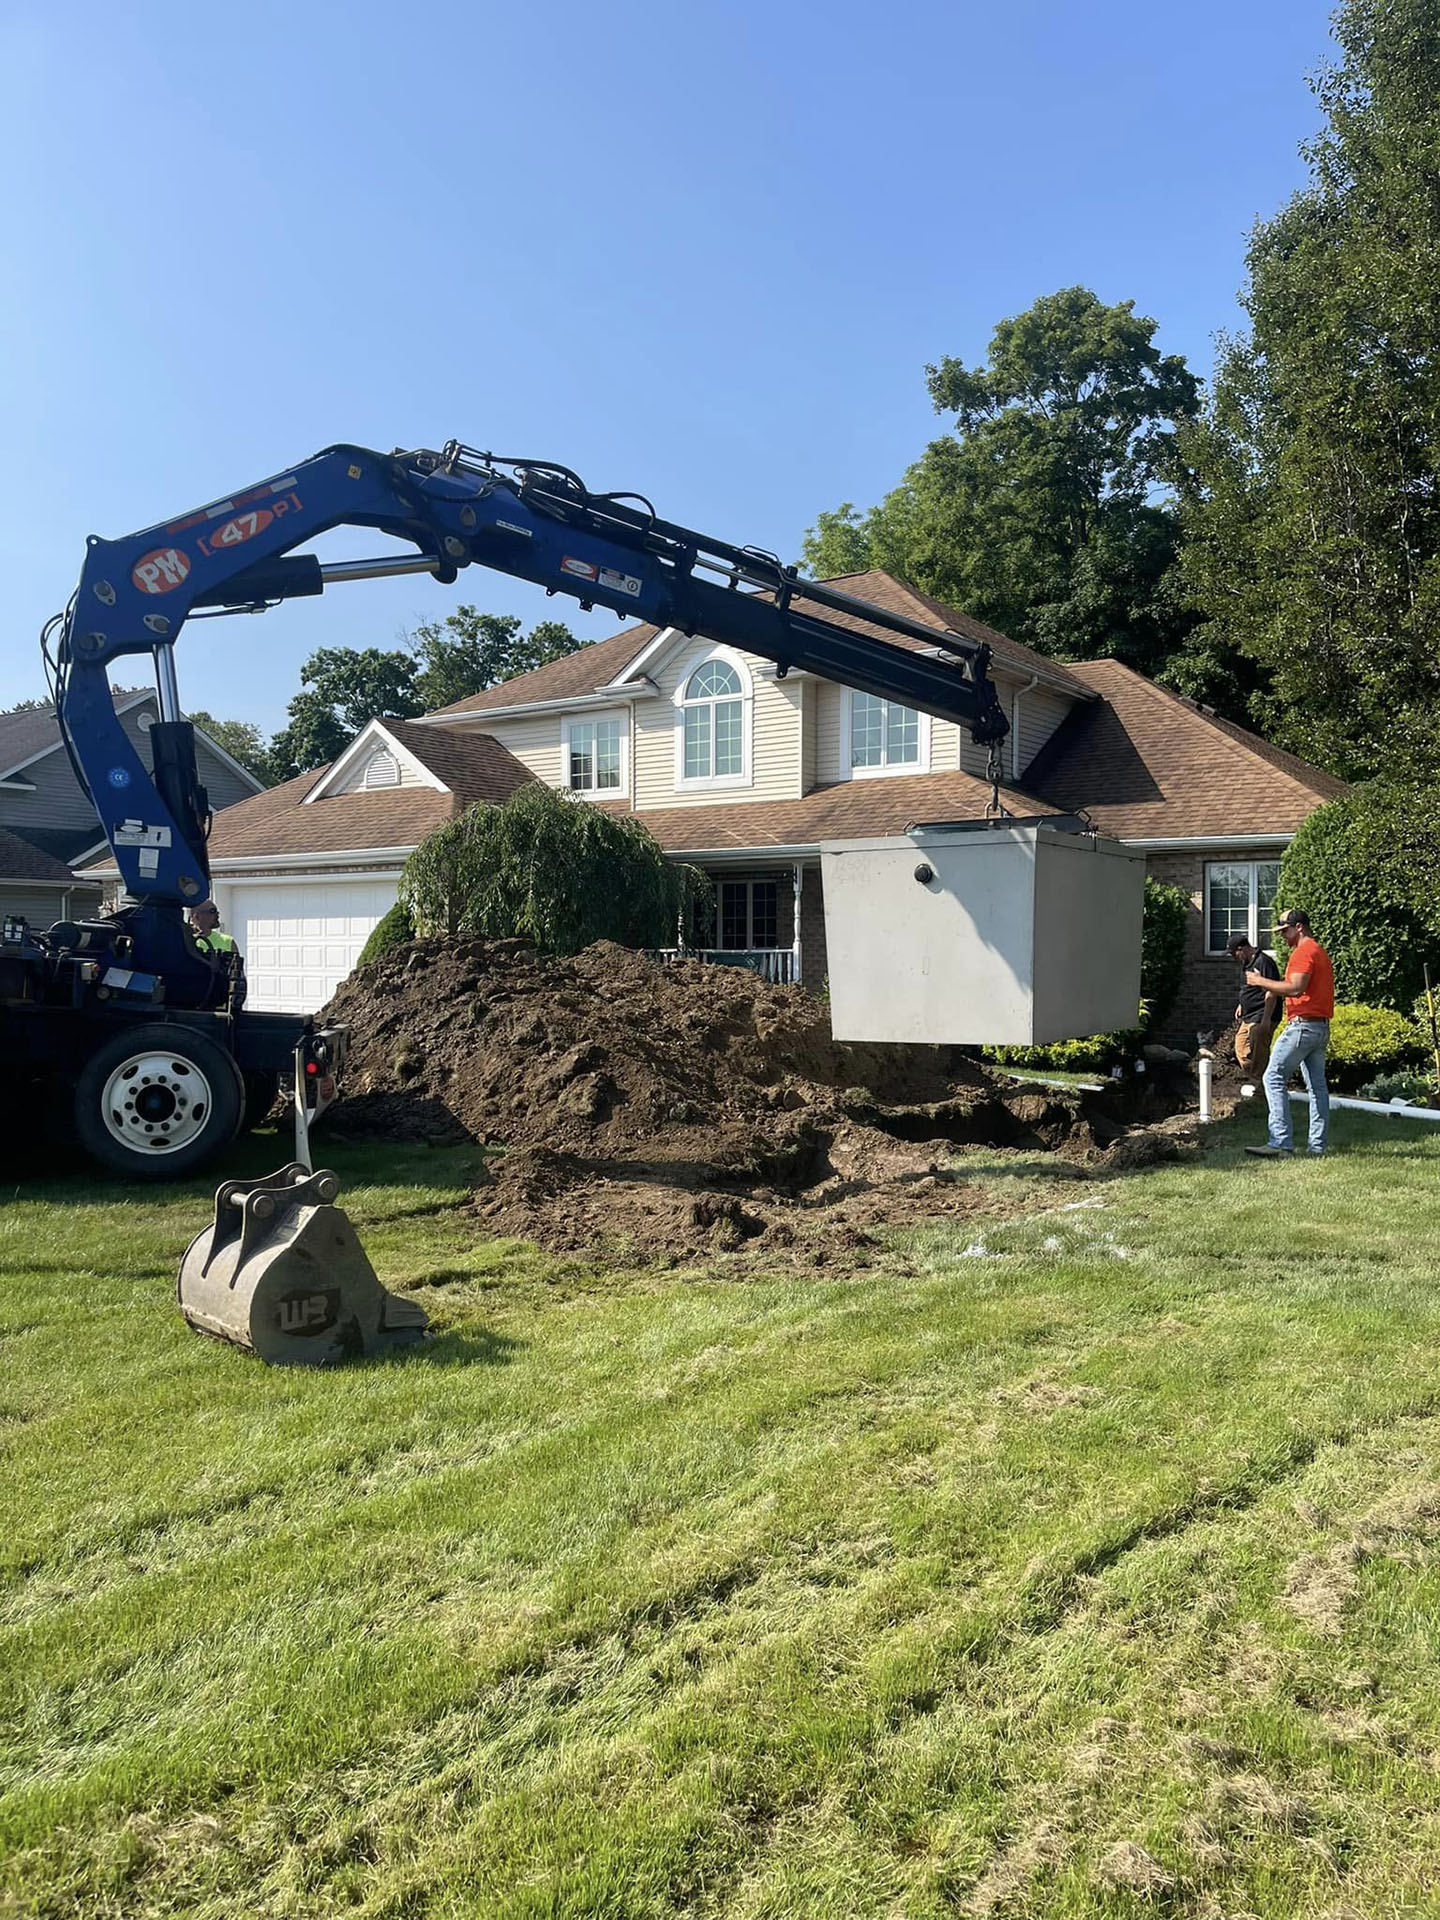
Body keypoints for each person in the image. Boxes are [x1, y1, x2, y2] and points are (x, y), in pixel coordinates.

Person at [1244, 909, 1335, 1159]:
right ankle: (1317, 1147)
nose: (1282, 936)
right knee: (1317, 1088)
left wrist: (1260, 982)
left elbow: (1295, 988)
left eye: (1284, 930)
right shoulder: (1319, 951)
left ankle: (1280, 1144)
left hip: (1303, 1026)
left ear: (1299, 927)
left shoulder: (1303, 952)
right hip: (1320, 1027)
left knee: (1272, 1078)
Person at [1228, 933, 1279, 1079]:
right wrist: (1241, 1004)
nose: (1233, 957)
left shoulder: (1263, 962)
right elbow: (1248, 988)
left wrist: (1266, 1019)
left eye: (1233, 953)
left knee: (1259, 1052)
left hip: (1263, 1015)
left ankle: (1260, 1087)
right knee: (1241, 1048)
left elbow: (1272, 992)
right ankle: (1260, 1079)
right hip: (1248, 1015)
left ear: (1241, 949)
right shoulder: (1247, 963)